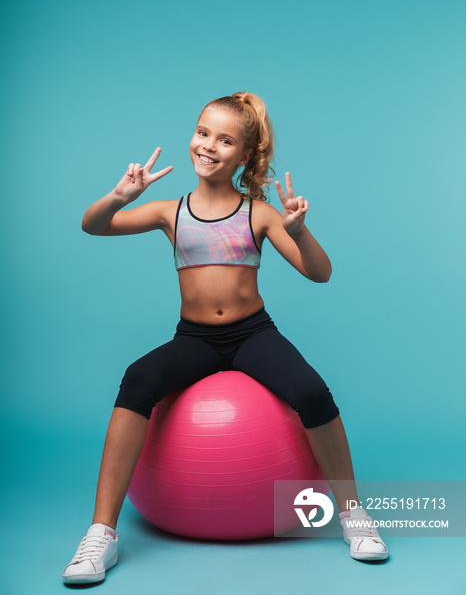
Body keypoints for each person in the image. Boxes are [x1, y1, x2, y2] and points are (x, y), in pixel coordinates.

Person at [63, 92, 388, 585]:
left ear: (245, 155)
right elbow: (93, 226)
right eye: (202, 132)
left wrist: (298, 232)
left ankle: (353, 516)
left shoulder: (258, 213)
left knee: (312, 392)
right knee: (136, 379)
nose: (209, 145)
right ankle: (100, 535)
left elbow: (319, 273)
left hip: (252, 333)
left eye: (225, 139)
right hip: (194, 338)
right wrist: (119, 198)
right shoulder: (168, 211)